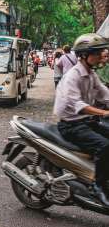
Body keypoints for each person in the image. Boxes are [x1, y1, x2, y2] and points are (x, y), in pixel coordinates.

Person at [55, 33, 109, 206]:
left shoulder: (91, 74)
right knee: (104, 146)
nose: (102, 55)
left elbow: (104, 95)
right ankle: (97, 186)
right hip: (71, 125)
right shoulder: (73, 76)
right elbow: (79, 105)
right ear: (85, 55)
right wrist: (103, 113)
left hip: (86, 122)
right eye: (97, 52)